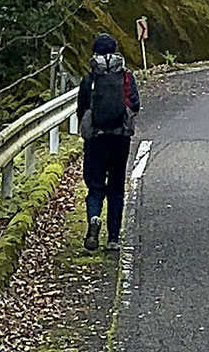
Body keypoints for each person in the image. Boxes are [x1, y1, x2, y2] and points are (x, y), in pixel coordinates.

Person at [76, 30, 141, 252]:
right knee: (116, 188)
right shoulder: (126, 77)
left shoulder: (89, 79)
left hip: (96, 139)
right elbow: (135, 104)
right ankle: (113, 238)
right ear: (116, 53)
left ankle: (94, 218)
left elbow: (82, 108)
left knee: (95, 187)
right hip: (120, 139)